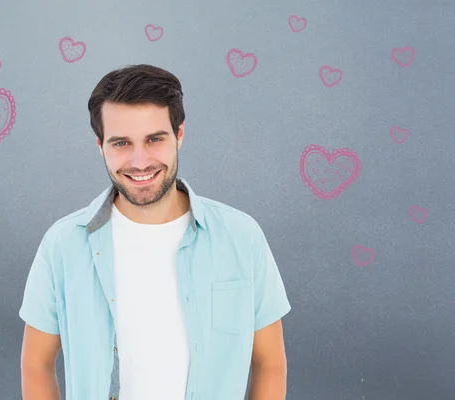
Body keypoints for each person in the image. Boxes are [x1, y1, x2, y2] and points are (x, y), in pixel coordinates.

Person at [19, 64, 291, 400]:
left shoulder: (241, 237)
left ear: (179, 134)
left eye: (154, 139)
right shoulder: (63, 244)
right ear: (99, 145)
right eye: (121, 143)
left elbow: (269, 363)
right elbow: (36, 362)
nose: (139, 161)